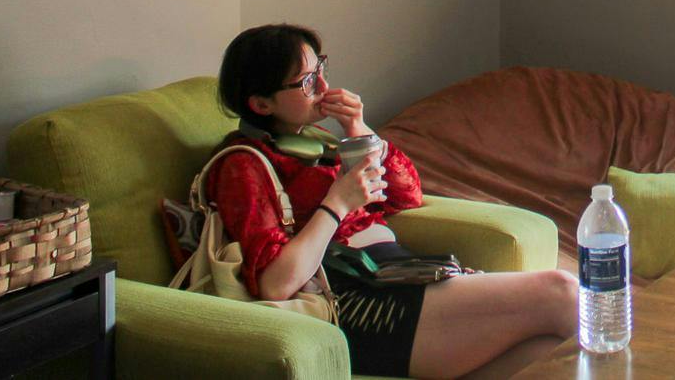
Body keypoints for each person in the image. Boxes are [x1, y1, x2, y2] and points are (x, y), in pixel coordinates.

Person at [208, 24, 577, 378]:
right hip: (350, 302)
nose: (323, 86)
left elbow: (406, 194)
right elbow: (275, 284)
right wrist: (337, 204)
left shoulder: (317, 141)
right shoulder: (243, 164)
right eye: (306, 82)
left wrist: (359, 130)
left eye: (319, 69)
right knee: (560, 292)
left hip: (398, 273)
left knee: (548, 353)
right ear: (261, 104)